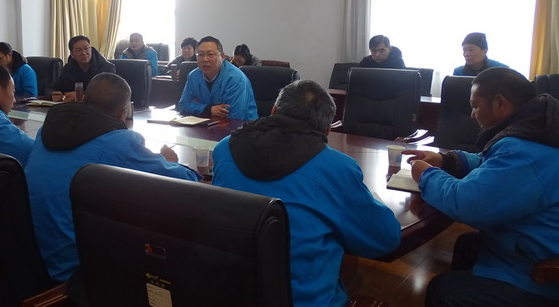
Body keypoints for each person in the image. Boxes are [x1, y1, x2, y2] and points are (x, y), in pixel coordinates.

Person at [212, 79, 401, 306]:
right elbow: (385, 239)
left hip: (227, 293)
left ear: (274, 111)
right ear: (327, 129)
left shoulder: (224, 148)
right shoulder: (337, 168)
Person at [25, 72, 200, 282]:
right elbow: (186, 183)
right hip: (75, 270)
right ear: (123, 113)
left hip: (32, 256)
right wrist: (170, 161)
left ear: (84, 98)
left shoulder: (47, 130)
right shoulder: (118, 142)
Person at [405, 67, 559, 306]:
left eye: (475, 105)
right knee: (468, 245)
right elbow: (495, 166)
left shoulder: (524, 152)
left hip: (539, 273)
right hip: (532, 245)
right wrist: (448, 160)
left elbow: (467, 203)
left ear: (499, 104)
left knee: (443, 289)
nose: (472, 114)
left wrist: (426, 175)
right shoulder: (536, 131)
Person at [177, 36, 258, 120]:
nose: (205, 59)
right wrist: (209, 109)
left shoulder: (236, 79)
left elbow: (235, 116)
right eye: (200, 55)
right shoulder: (193, 76)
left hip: (243, 125)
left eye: (210, 54)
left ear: (222, 56)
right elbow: (183, 105)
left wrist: (196, 106)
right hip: (206, 123)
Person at [50, 35, 115, 102]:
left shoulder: (107, 68)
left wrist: (81, 96)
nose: (83, 53)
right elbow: (51, 89)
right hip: (73, 107)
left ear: (91, 49)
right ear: (72, 54)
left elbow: (108, 93)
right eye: (78, 50)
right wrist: (53, 95)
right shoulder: (68, 69)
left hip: (98, 106)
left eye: (86, 48)